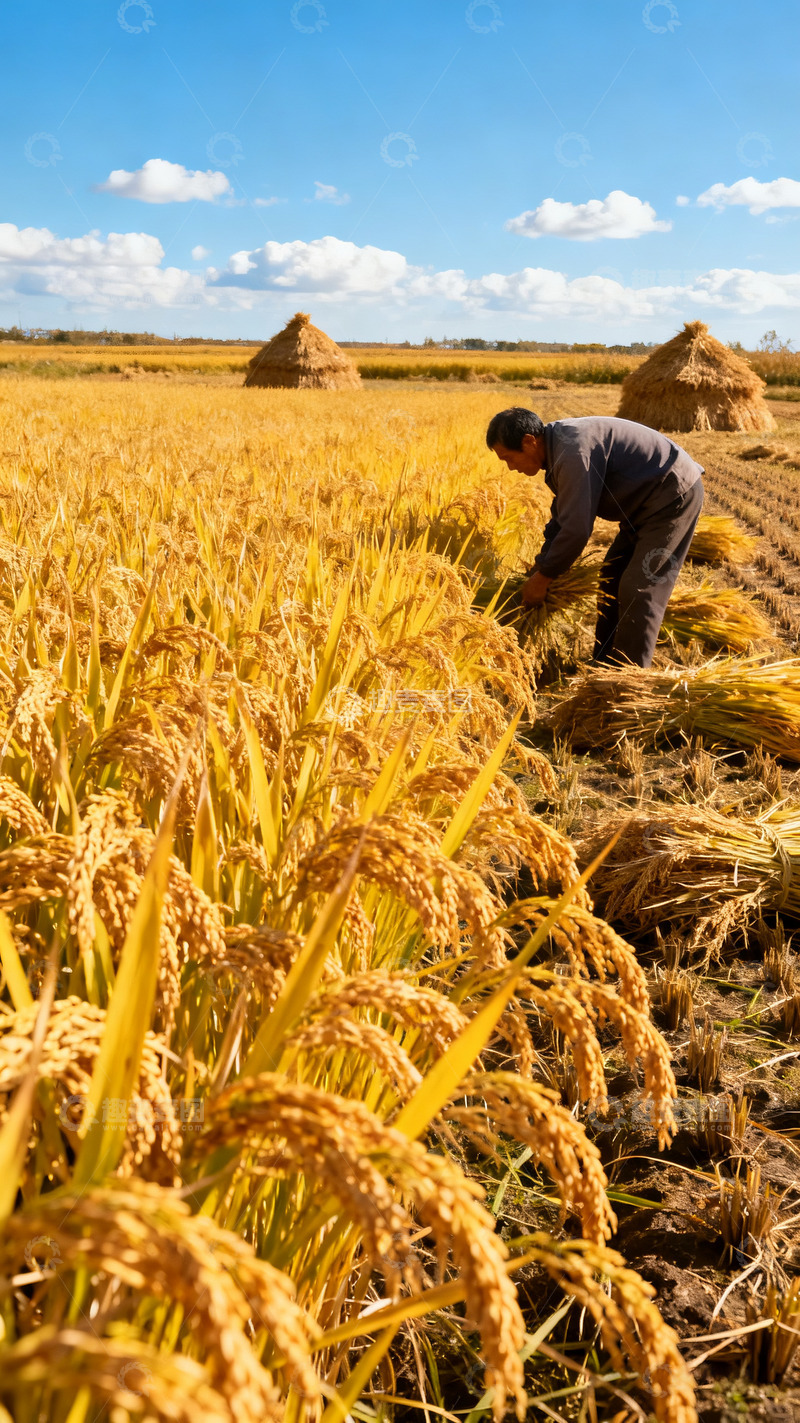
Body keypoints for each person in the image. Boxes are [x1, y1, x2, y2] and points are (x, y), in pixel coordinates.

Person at [486, 408, 704, 668]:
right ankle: (604, 664)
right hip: (640, 507)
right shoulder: (558, 449)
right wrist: (541, 565)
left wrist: (543, 579)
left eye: (509, 458)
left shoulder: (573, 451)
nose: (511, 467)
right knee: (611, 577)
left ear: (529, 442)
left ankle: (628, 680)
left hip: (671, 497)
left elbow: (577, 529)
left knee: (638, 588)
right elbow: (563, 518)